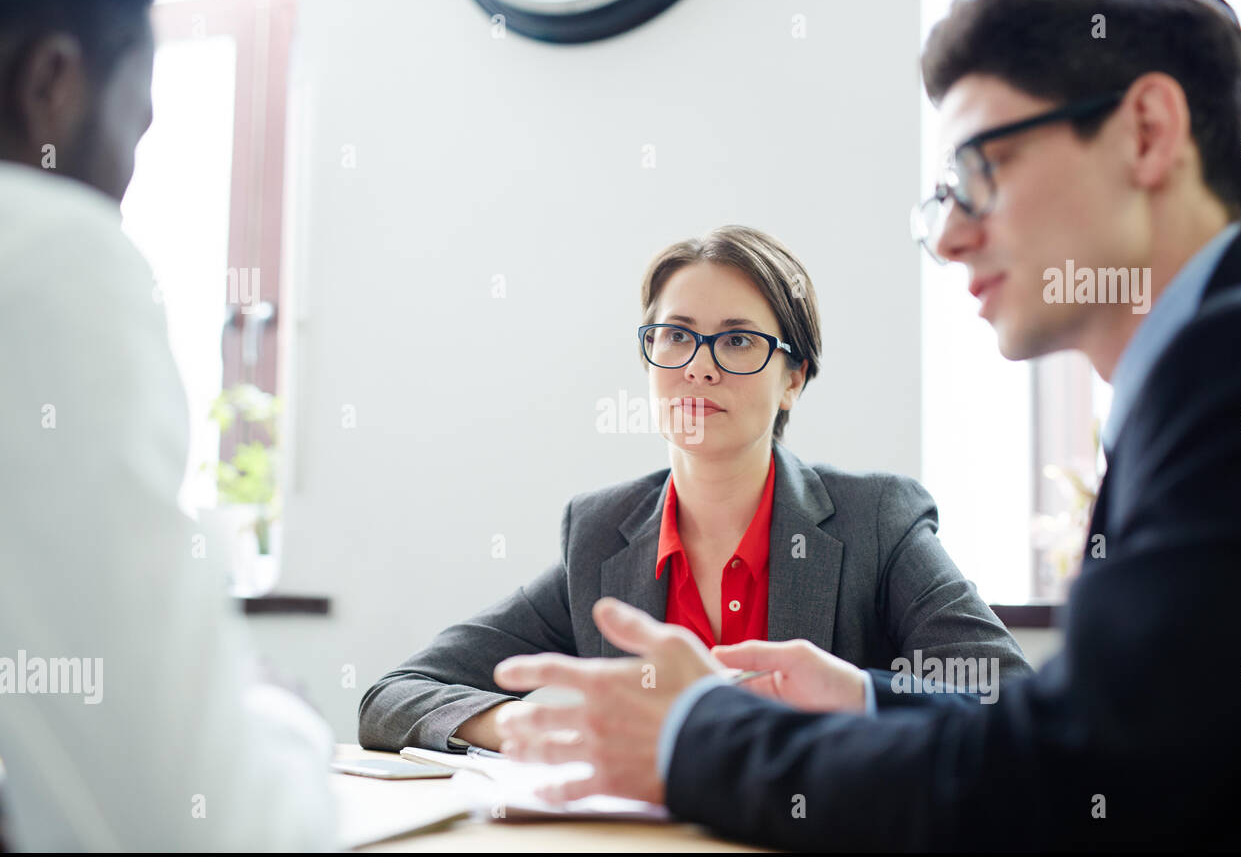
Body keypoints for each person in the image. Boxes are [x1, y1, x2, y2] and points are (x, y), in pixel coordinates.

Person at [491, 0, 1241, 850]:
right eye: (943, 193)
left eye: (982, 170)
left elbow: (1077, 781)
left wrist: (695, 736)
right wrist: (869, 694)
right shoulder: (1219, 360)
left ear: (1147, 132)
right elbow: (1104, 740)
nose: (949, 236)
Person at [358, 225, 1030, 754]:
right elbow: (396, 695)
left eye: (737, 341)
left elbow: (1005, 693)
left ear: (793, 377)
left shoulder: (876, 520)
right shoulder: (600, 534)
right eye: (676, 336)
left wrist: (851, 695)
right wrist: (522, 729)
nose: (699, 368)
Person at [0, 0, 337, 850]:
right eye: (137, 128)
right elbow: (184, 834)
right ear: (52, 83)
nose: (126, 179)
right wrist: (279, 723)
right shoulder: (46, 258)